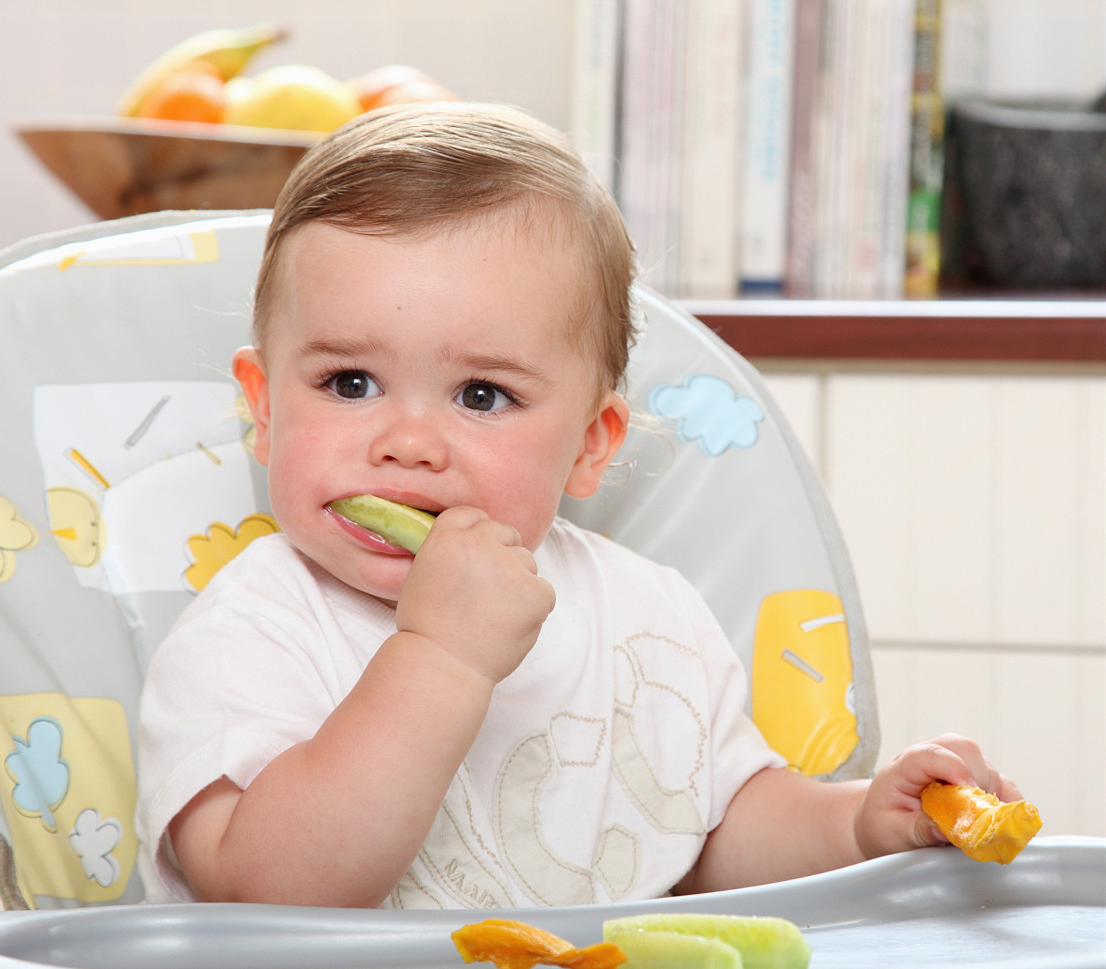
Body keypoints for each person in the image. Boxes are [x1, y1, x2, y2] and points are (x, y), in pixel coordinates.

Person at [136, 102, 1021, 909]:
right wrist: (441, 656)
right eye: (350, 381)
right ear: (262, 406)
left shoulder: (647, 614)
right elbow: (267, 894)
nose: (409, 441)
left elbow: (717, 831)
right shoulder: (249, 637)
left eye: (481, 395)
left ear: (592, 444)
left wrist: (863, 824)